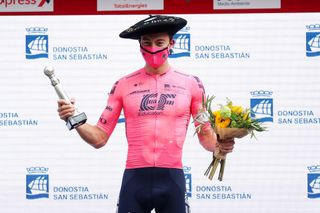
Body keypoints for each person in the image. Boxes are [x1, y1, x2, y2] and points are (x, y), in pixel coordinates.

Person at [57, 15, 235, 213]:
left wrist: (220, 145)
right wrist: (74, 119)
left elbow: (205, 136)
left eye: (159, 42)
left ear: (171, 43)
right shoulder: (123, 84)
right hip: (135, 180)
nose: (153, 48)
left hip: (172, 179)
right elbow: (99, 139)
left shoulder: (191, 84)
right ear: (139, 45)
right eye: (147, 43)